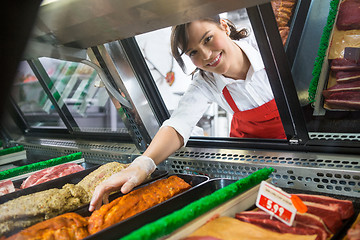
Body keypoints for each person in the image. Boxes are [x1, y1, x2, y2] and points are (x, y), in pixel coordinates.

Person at [88, 17, 286, 212]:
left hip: (300, 147)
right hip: (251, 154)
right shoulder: (205, 81)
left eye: (207, 39)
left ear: (223, 26)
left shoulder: (268, 47)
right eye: (193, 52)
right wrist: (141, 165)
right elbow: (179, 123)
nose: (207, 55)